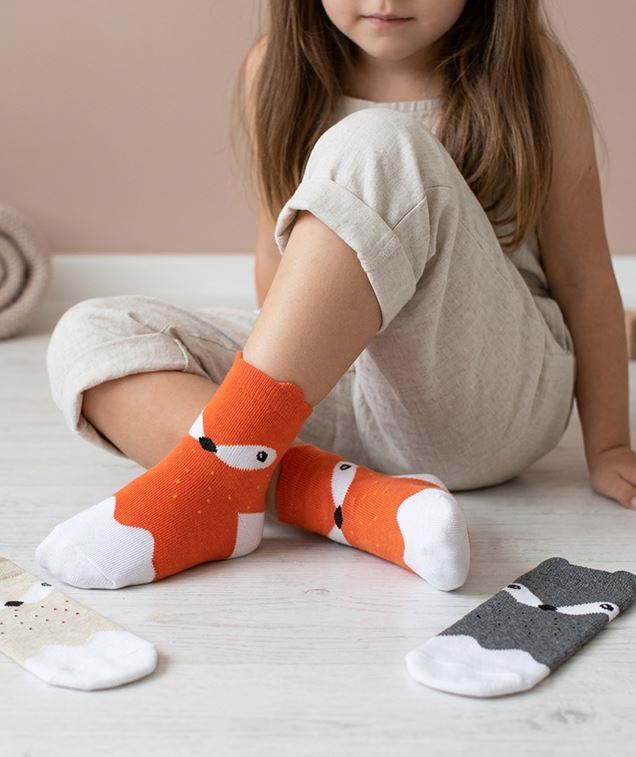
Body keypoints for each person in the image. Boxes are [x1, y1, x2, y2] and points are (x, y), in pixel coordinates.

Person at [36, 1, 632, 596]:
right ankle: (348, 501)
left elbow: (581, 273)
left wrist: (608, 446)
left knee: (377, 143)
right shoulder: (276, 66)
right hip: (339, 388)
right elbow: (277, 265)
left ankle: (214, 483)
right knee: (92, 334)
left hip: (481, 399)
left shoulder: (530, 70)